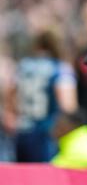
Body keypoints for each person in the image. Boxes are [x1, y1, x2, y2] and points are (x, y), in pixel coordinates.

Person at [13, 30, 78, 162]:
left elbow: (11, 94)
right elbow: (68, 106)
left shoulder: (23, 66)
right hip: (46, 134)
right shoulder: (60, 69)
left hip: (22, 131)